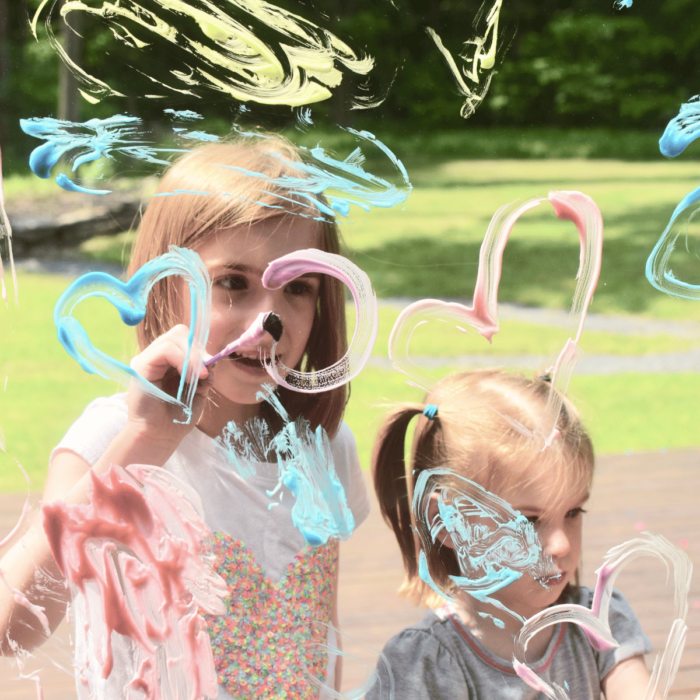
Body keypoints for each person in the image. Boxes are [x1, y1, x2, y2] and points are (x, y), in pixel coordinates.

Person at [0, 138, 370, 699]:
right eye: (233, 283)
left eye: (298, 288)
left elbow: (321, 631)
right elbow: (13, 629)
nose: (267, 319)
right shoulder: (113, 437)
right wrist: (143, 440)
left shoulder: (322, 446)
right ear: (163, 285)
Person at [368, 369, 658, 700]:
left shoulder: (601, 620)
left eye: (573, 512)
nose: (561, 544)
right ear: (447, 523)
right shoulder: (426, 666)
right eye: (530, 521)